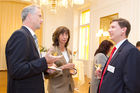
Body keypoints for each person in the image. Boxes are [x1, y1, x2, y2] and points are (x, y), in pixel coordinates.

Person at [5, 5, 62, 93]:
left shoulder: (28, 36)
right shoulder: (20, 35)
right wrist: (44, 61)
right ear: (29, 16)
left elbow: (29, 65)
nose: (42, 20)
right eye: (39, 16)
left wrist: (45, 68)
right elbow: (16, 70)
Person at [97, 18, 140, 93]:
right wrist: (104, 74)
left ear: (123, 30)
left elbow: (132, 86)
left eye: (113, 27)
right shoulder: (116, 49)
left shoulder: (131, 51)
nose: (109, 30)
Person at [45, 26, 76, 93]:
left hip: (69, 87)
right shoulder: (52, 51)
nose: (65, 37)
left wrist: (73, 71)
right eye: (62, 34)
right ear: (57, 36)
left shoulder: (69, 51)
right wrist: (64, 67)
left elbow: (70, 68)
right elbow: (48, 72)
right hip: (57, 88)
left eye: (66, 34)